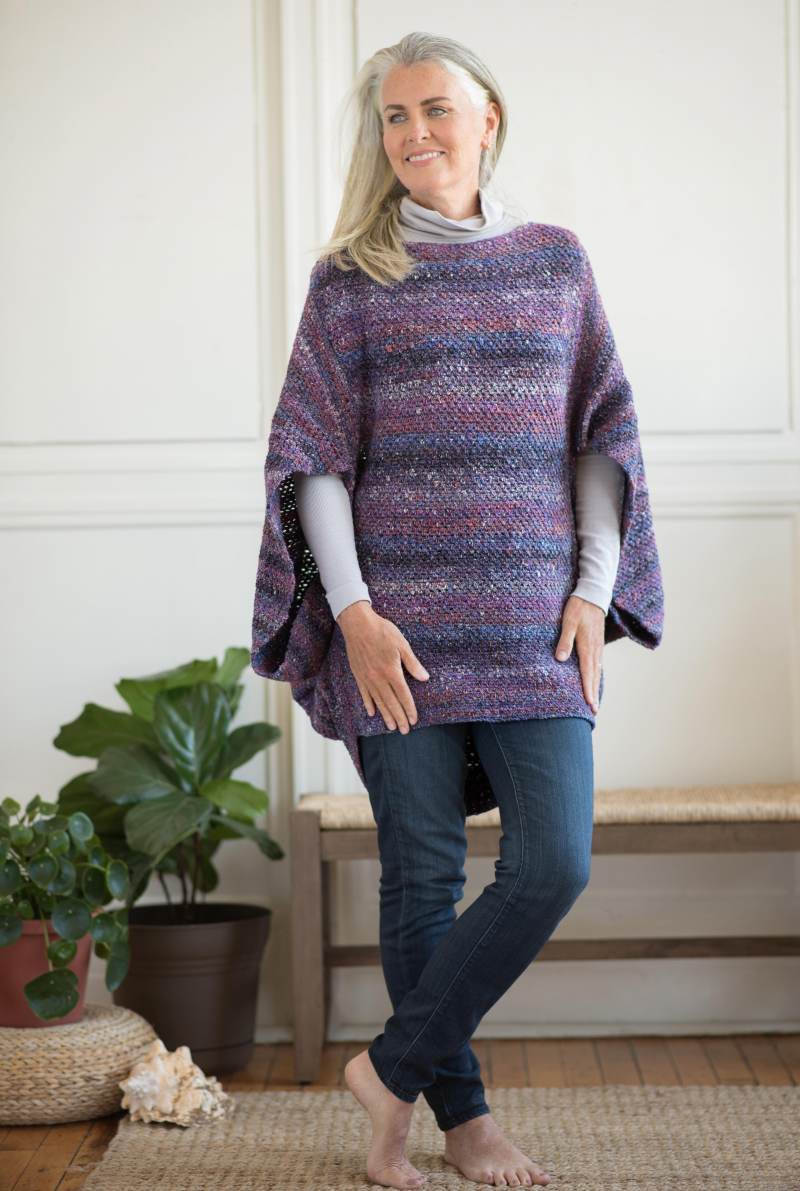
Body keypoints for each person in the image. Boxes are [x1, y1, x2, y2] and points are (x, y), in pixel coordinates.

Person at [251, 31, 664, 1191]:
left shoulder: (553, 261)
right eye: (393, 116)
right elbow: (313, 459)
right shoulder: (351, 279)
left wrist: (592, 590)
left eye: (435, 108)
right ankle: (460, 1120)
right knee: (421, 873)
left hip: (534, 628)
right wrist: (354, 614)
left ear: (487, 120)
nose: (414, 132)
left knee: (552, 862)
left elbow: (598, 433)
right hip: (398, 633)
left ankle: (385, 1072)